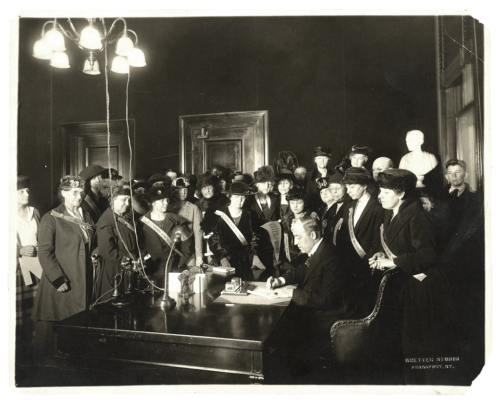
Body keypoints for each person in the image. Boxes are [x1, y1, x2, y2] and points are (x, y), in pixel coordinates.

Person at [368, 169, 457, 384]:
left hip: (424, 286)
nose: (379, 196)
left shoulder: (417, 215)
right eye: (380, 191)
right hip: (406, 283)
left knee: (421, 344)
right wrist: (383, 253)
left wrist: (393, 261)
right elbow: (396, 245)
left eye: (385, 192)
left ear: (401, 193)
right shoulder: (391, 212)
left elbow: (428, 254)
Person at [267, 214, 356, 378]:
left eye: (299, 237)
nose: (295, 242)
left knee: (280, 332)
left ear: (313, 235)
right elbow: (303, 270)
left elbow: (326, 299)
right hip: (321, 312)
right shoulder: (320, 249)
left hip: (330, 318)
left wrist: (291, 292)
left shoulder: (332, 257)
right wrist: (280, 280)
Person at [33, 175, 95, 364]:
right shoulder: (51, 218)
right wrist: (58, 279)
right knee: (55, 331)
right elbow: (44, 252)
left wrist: (95, 252)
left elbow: (92, 242)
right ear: (63, 193)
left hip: (82, 278)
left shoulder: (86, 215)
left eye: (81, 193)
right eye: (75, 193)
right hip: (62, 281)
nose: (79, 196)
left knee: (76, 327)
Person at [336, 167, 384, 314]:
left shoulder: (378, 208)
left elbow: (378, 242)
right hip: (348, 268)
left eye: (352, 187)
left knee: (365, 308)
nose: (348, 191)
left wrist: (363, 265)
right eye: (347, 187)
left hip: (366, 268)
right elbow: (344, 237)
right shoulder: (348, 206)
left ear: (364, 186)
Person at [203, 182, 263, 280]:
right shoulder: (218, 214)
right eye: (236, 197)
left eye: (242, 197)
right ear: (230, 197)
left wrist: (255, 255)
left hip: (246, 261)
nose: (239, 200)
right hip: (224, 260)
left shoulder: (250, 214)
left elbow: (256, 237)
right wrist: (222, 258)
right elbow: (213, 239)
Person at [95, 179, 139, 303]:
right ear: (113, 200)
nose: (127, 203)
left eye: (129, 200)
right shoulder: (106, 221)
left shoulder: (126, 217)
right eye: (123, 200)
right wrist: (128, 260)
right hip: (114, 270)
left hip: (129, 268)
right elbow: (107, 251)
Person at [139, 186, 193, 287]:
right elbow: (139, 246)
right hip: (151, 269)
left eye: (167, 200)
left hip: (173, 267)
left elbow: (188, 247)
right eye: (161, 200)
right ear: (152, 203)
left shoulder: (176, 220)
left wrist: (178, 263)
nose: (166, 203)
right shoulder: (141, 223)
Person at [16, 175, 41, 365]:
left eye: (27, 190)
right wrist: (18, 250)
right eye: (22, 191)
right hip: (16, 273)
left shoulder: (35, 212)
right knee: (19, 318)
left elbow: (42, 238)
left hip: (36, 269)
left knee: (35, 313)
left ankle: (35, 355)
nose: (27, 193)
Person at [247, 165, 279, 273]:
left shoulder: (275, 199)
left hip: (272, 246)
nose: (267, 185)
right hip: (255, 246)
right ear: (256, 184)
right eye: (263, 182)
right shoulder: (248, 201)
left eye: (269, 182)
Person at [169, 177, 204, 267]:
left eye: (185, 190)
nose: (184, 193)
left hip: (189, 251)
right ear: (174, 191)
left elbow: (198, 232)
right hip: (170, 252)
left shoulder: (194, 208)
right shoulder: (167, 208)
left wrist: (199, 255)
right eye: (180, 190)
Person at [305, 147, 336, 212]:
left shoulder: (335, 173)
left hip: (333, 208)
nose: (322, 160)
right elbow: (307, 196)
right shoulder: (309, 175)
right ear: (315, 160)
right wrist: (312, 211)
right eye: (319, 158)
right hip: (315, 209)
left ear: (328, 159)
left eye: (325, 158)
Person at [325, 173, 352, 246]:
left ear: (345, 188)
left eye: (338, 188)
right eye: (331, 188)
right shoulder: (333, 207)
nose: (334, 191)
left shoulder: (351, 206)